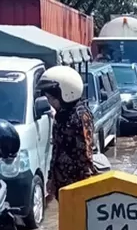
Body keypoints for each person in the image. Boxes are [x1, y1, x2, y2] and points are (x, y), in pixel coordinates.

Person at [36, 66, 97, 201]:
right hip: (62, 185)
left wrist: (86, 189)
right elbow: (57, 148)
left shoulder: (81, 116)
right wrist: (51, 178)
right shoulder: (61, 115)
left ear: (66, 93)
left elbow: (86, 155)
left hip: (77, 186)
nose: (50, 103)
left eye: (52, 98)